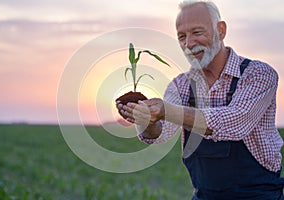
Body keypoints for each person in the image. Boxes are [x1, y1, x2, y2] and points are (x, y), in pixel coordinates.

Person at [116, 1, 284, 199]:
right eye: (182, 36)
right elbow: (160, 133)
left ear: (221, 30)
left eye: (197, 32)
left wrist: (167, 110)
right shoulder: (180, 86)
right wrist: (145, 118)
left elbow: (236, 122)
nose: (189, 44)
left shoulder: (257, 74)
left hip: (258, 195)